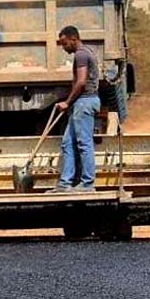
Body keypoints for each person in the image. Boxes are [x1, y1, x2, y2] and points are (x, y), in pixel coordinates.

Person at [48, 25, 101, 193]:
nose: (63, 48)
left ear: (73, 39)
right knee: (67, 143)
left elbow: (81, 82)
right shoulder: (86, 52)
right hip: (81, 103)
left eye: (64, 44)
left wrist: (67, 102)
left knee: (84, 143)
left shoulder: (81, 55)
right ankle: (65, 183)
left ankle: (87, 184)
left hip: (84, 102)